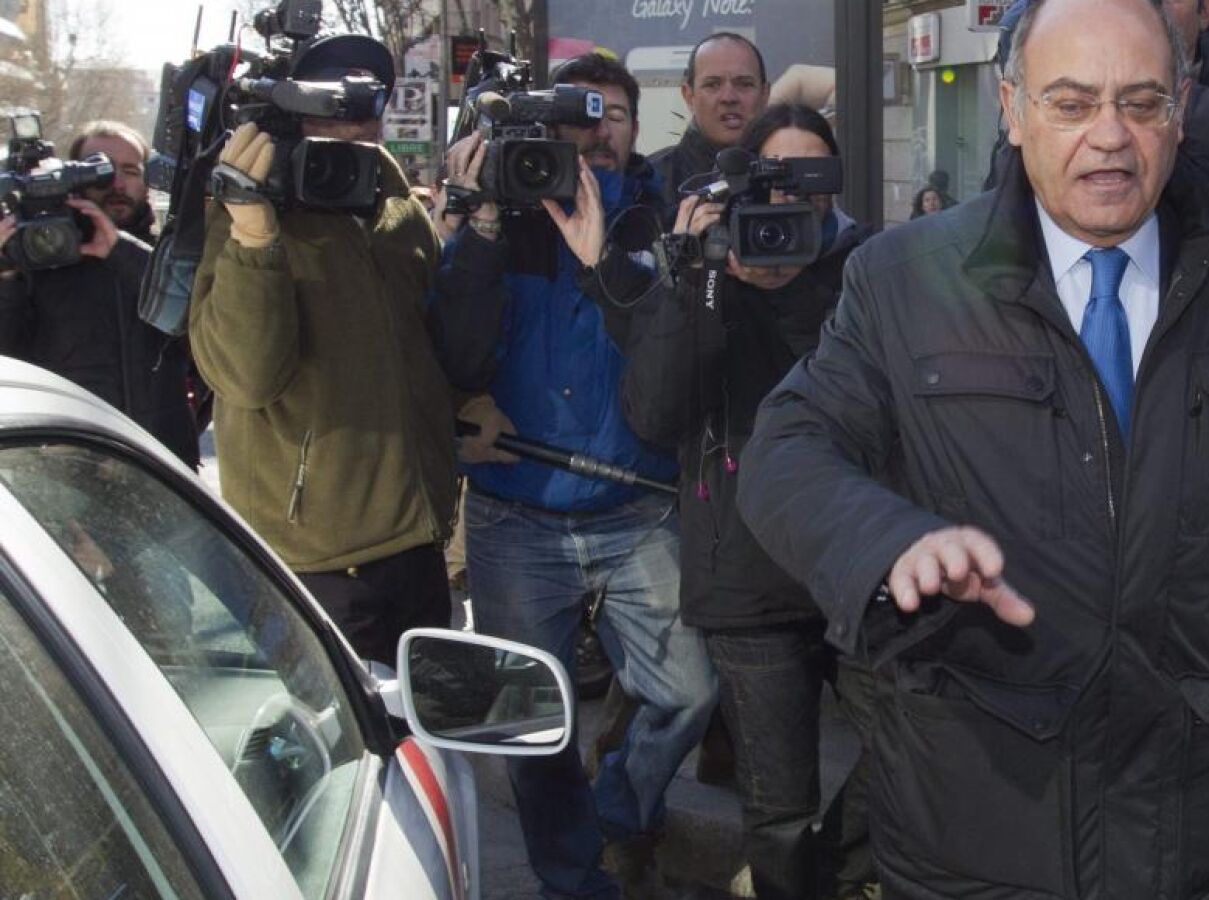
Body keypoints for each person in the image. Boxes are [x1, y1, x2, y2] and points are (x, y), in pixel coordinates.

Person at [735, 0, 1209, 895]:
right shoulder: (905, 280)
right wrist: (889, 541)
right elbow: (786, 452)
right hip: (974, 827)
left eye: (1140, 102)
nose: (1110, 136)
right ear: (1014, 111)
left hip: (1195, 825)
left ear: (1180, 112)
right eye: (1071, 102)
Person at [428, 52, 717, 900]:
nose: (592, 137)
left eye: (610, 117)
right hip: (516, 514)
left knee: (690, 691)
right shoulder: (499, 222)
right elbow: (456, 354)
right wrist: (482, 224)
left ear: (635, 125)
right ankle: (570, 877)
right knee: (528, 722)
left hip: (635, 506)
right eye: (570, 124)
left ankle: (617, 812)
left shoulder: (661, 222)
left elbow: (679, 349)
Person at [619, 104, 875, 900]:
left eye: (808, 179)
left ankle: (833, 876)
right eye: (773, 178)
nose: (789, 200)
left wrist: (793, 289)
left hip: (858, 568)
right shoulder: (704, 275)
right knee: (779, 810)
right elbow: (656, 413)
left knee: (926, 749)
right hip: (749, 583)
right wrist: (698, 275)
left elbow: (869, 401)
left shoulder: (866, 271)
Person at [187, 35, 458, 669]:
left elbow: (427, 341)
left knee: (425, 720)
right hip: (318, 560)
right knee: (344, 727)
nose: (354, 113)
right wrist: (255, 236)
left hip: (418, 540)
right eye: (332, 95)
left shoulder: (398, 208)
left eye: (370, 96)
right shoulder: (250, 208)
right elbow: (245, 378)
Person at [986, 0, 1209, 224]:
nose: (1146, 7)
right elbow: (1002, 214)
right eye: (1073, 107)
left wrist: (1175, 102)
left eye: (1141, 106)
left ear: (1205, 11)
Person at [0, 120, 199, 468]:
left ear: (147, 181)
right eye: (100, 169)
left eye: (130, 171)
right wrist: (5, 275)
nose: (116, 183)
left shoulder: (171, 256)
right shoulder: (33, 260)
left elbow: (203, 326)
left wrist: (121, 251)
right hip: (64, 469)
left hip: (163, 467)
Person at [649, 33, 770, 201]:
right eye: (712, 85)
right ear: (689, 96)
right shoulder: (649, 182)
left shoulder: (787, 177)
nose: (728, 97)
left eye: (744, 84)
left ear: (765, 95)